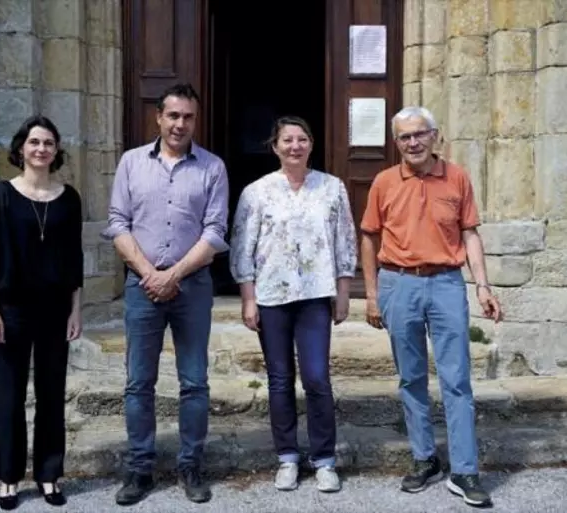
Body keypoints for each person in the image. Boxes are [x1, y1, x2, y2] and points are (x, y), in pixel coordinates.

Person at [360, 106, 502, 508]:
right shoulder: (384, 182)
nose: (413, 142)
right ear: (396, 143)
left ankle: (465, 470)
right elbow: (369, 238)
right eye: (404, 137)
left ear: (435, 135)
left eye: (419, 134)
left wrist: (483, 287)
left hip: (445, 284)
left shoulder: (456, 176)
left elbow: (470, 234)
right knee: (411, 377)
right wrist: (371, 295)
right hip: (398, 284)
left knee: (457, 379)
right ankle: (425, 459)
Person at [102, 83, 229, 506]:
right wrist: (147, 274)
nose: (179, 124)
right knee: (139, 382)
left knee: (194, 382)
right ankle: (140, 469)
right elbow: (118, 222)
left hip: (192, 287)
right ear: (158, 117)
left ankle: (190, 465)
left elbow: (215, 232)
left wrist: (172, 274)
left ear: (196, 120)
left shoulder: (212, 167)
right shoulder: (131, 163)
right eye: (172, 116)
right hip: (142, 288)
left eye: (188, 117)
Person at [229, 116, 357, 493]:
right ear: (275, 146)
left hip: (315, 295)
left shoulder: (331, 188)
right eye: (287, 140)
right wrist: (248, 298)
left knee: (317, 378)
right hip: (271, 296)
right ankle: (287, 456)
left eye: (302, 139)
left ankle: (324, 459)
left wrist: (344, 291)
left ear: (311, 145)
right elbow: (242, 246)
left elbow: (344, 241)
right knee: (280, 380)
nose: (295, 146)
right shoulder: (256, 192)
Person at [0, 115, 84, 510]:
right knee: (10, 395)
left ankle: (48, 474)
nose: (41, 149)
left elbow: (74, 260)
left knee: (51, 394)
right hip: (12, 309)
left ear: (56, 151)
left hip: (56, 309)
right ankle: (8, 477)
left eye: (49, 143)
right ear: (21, 148)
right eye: (34, 142)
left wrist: (76, 311)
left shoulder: (69, 198)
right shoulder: (1, 196)